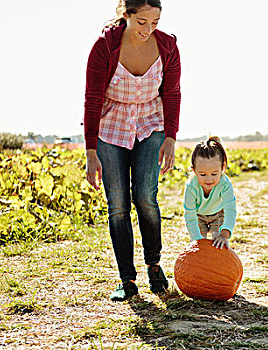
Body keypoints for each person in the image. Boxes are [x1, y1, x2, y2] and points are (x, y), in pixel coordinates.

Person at [83, 0, 181, 302]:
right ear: (125, 15)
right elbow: (92, 98)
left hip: (151, 127)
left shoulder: (167, 47)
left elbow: (173, 93)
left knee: (145, 198)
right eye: (142, 22)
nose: (148, 29)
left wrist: (170, 138)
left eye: (155, 22)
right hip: (110, 130)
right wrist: (90, 150)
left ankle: (154, 267)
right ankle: (126, 279)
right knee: (118, 205)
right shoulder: (104, 47)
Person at [183, 137, 237, 250]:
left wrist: (224, 234)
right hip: (198, 216)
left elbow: (230, 210)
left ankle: (221, 263)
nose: (209, 179)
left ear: (222, 168)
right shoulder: (191, 187)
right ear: (194, 171)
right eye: (202, 174)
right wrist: (197, 240)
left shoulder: (225, 184)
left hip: (218, 214)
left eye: (214, 174)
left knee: (218, 243)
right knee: (199, 245)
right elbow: (190, 215)